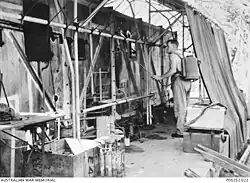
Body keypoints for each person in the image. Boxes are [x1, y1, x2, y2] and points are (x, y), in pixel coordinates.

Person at [152, 39, 191, 138]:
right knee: (185, 105)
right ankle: (185, 127)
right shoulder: (181, 55)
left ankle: (180, 131)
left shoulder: (173, 55)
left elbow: (173, 70)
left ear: (173, 47)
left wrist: (160, 77)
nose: (166, 49)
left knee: (179, 107)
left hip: (179, 82)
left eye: (168, 46)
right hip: (187, 81)